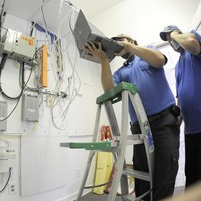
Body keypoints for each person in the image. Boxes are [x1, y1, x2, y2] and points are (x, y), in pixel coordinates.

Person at [84, 34, 180, 201]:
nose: (117, 43)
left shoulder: (149, 51)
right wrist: (104, 60)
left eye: (121, 39)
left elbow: (159, 60)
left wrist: (128, 47)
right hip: (139, 128)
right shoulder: (122, 71)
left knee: (165, 173)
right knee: (143, 177)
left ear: (133, 41)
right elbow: (109, 92)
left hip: (163, 122)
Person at [159, 25, 201, 189]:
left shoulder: (193, 47)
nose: (171, 42)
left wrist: (176, 35)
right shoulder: (178, 66)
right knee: (191, 175)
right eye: (169, 41)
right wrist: (176, 122)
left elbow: (191, 41)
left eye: (172, 38)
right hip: (190, 130)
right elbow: (180, 97)